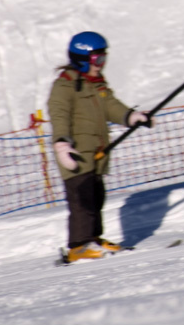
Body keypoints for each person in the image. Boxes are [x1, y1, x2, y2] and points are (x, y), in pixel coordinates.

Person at [47, 31, 153, 262]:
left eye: (104, 59)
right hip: (75, 154)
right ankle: (78, 246)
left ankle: (93, 239)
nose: (101, 65)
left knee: (96, 197)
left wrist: (130, 116)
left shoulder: (96, 84)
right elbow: (59, 115)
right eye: (98, 60)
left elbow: (110, 106)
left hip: (95, 154)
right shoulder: (65, 86)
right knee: (82, 200)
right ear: (82, 59)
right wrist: (62, 144)